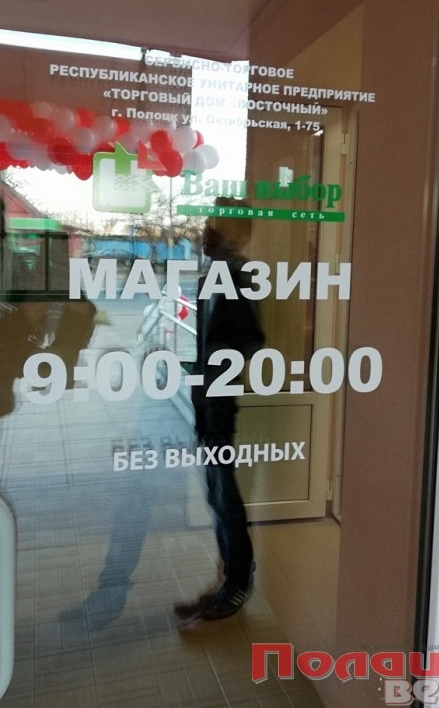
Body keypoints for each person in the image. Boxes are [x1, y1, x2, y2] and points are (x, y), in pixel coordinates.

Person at [175, 197, 265, 622]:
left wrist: (218, 380)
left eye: (219, 224)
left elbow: (252, 340)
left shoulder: (240, 276)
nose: (207, 229)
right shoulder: (214, 273)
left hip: (223, 403)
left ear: (239, 235)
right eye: (209, 221)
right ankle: (227, 579)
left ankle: (237, 584)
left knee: (226, 498)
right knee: (216, 495)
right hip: (208, 399)